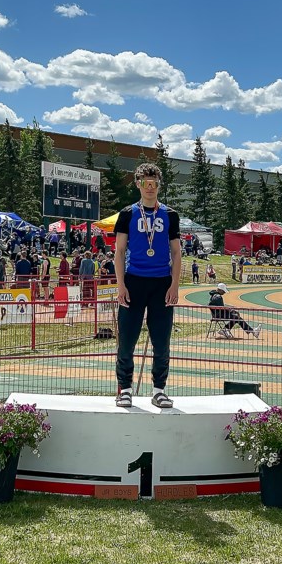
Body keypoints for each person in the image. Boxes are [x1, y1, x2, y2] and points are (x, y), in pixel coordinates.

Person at [113, 163, 181, 409]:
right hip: (133, 281)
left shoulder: (170, 215)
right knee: (127, 341)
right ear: (138, 184)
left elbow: (176, 252)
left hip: (162, 284)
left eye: (154, 183)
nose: (150, 188)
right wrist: (121, 285)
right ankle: (125, 389)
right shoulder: (127, 214)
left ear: (159, 185)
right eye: (145, 183)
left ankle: (159, 390)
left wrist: (174, 285)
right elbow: (119, 252)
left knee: (161, 341)